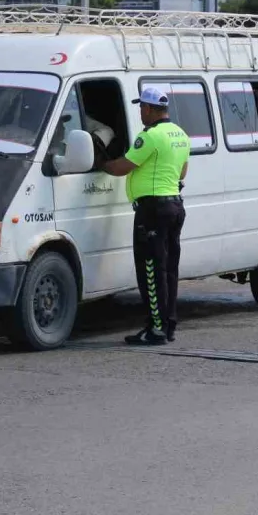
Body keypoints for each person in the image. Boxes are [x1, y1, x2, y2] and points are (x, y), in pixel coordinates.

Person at [103, 87, 191, 345]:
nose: (140, 112)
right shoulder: (181, 135)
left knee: (151, 270)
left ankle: (155, 329)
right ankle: (169, 324)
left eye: (141, 107)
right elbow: (182, 173)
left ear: (150, 109)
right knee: (169, 269)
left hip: (153, 210)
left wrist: (101, 163)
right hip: (175, 206)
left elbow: (122, 167)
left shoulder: (150, 137)